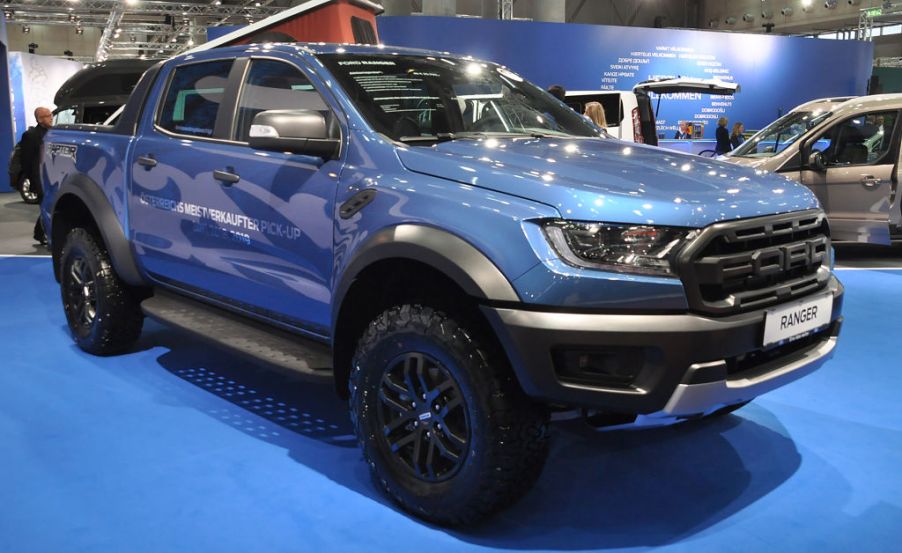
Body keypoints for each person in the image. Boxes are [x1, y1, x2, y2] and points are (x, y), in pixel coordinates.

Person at [20, 107, 52, 244]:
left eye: (50, 114)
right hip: (39, 177)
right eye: (47, 116)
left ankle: (39, 233)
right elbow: (26, 160)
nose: (51, 117)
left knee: (49, 205)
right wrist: (33, 179)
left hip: (52, 175)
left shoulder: (54, 133)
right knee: (45, 205)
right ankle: (44, 235)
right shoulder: (30, 135)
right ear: (39, 119)